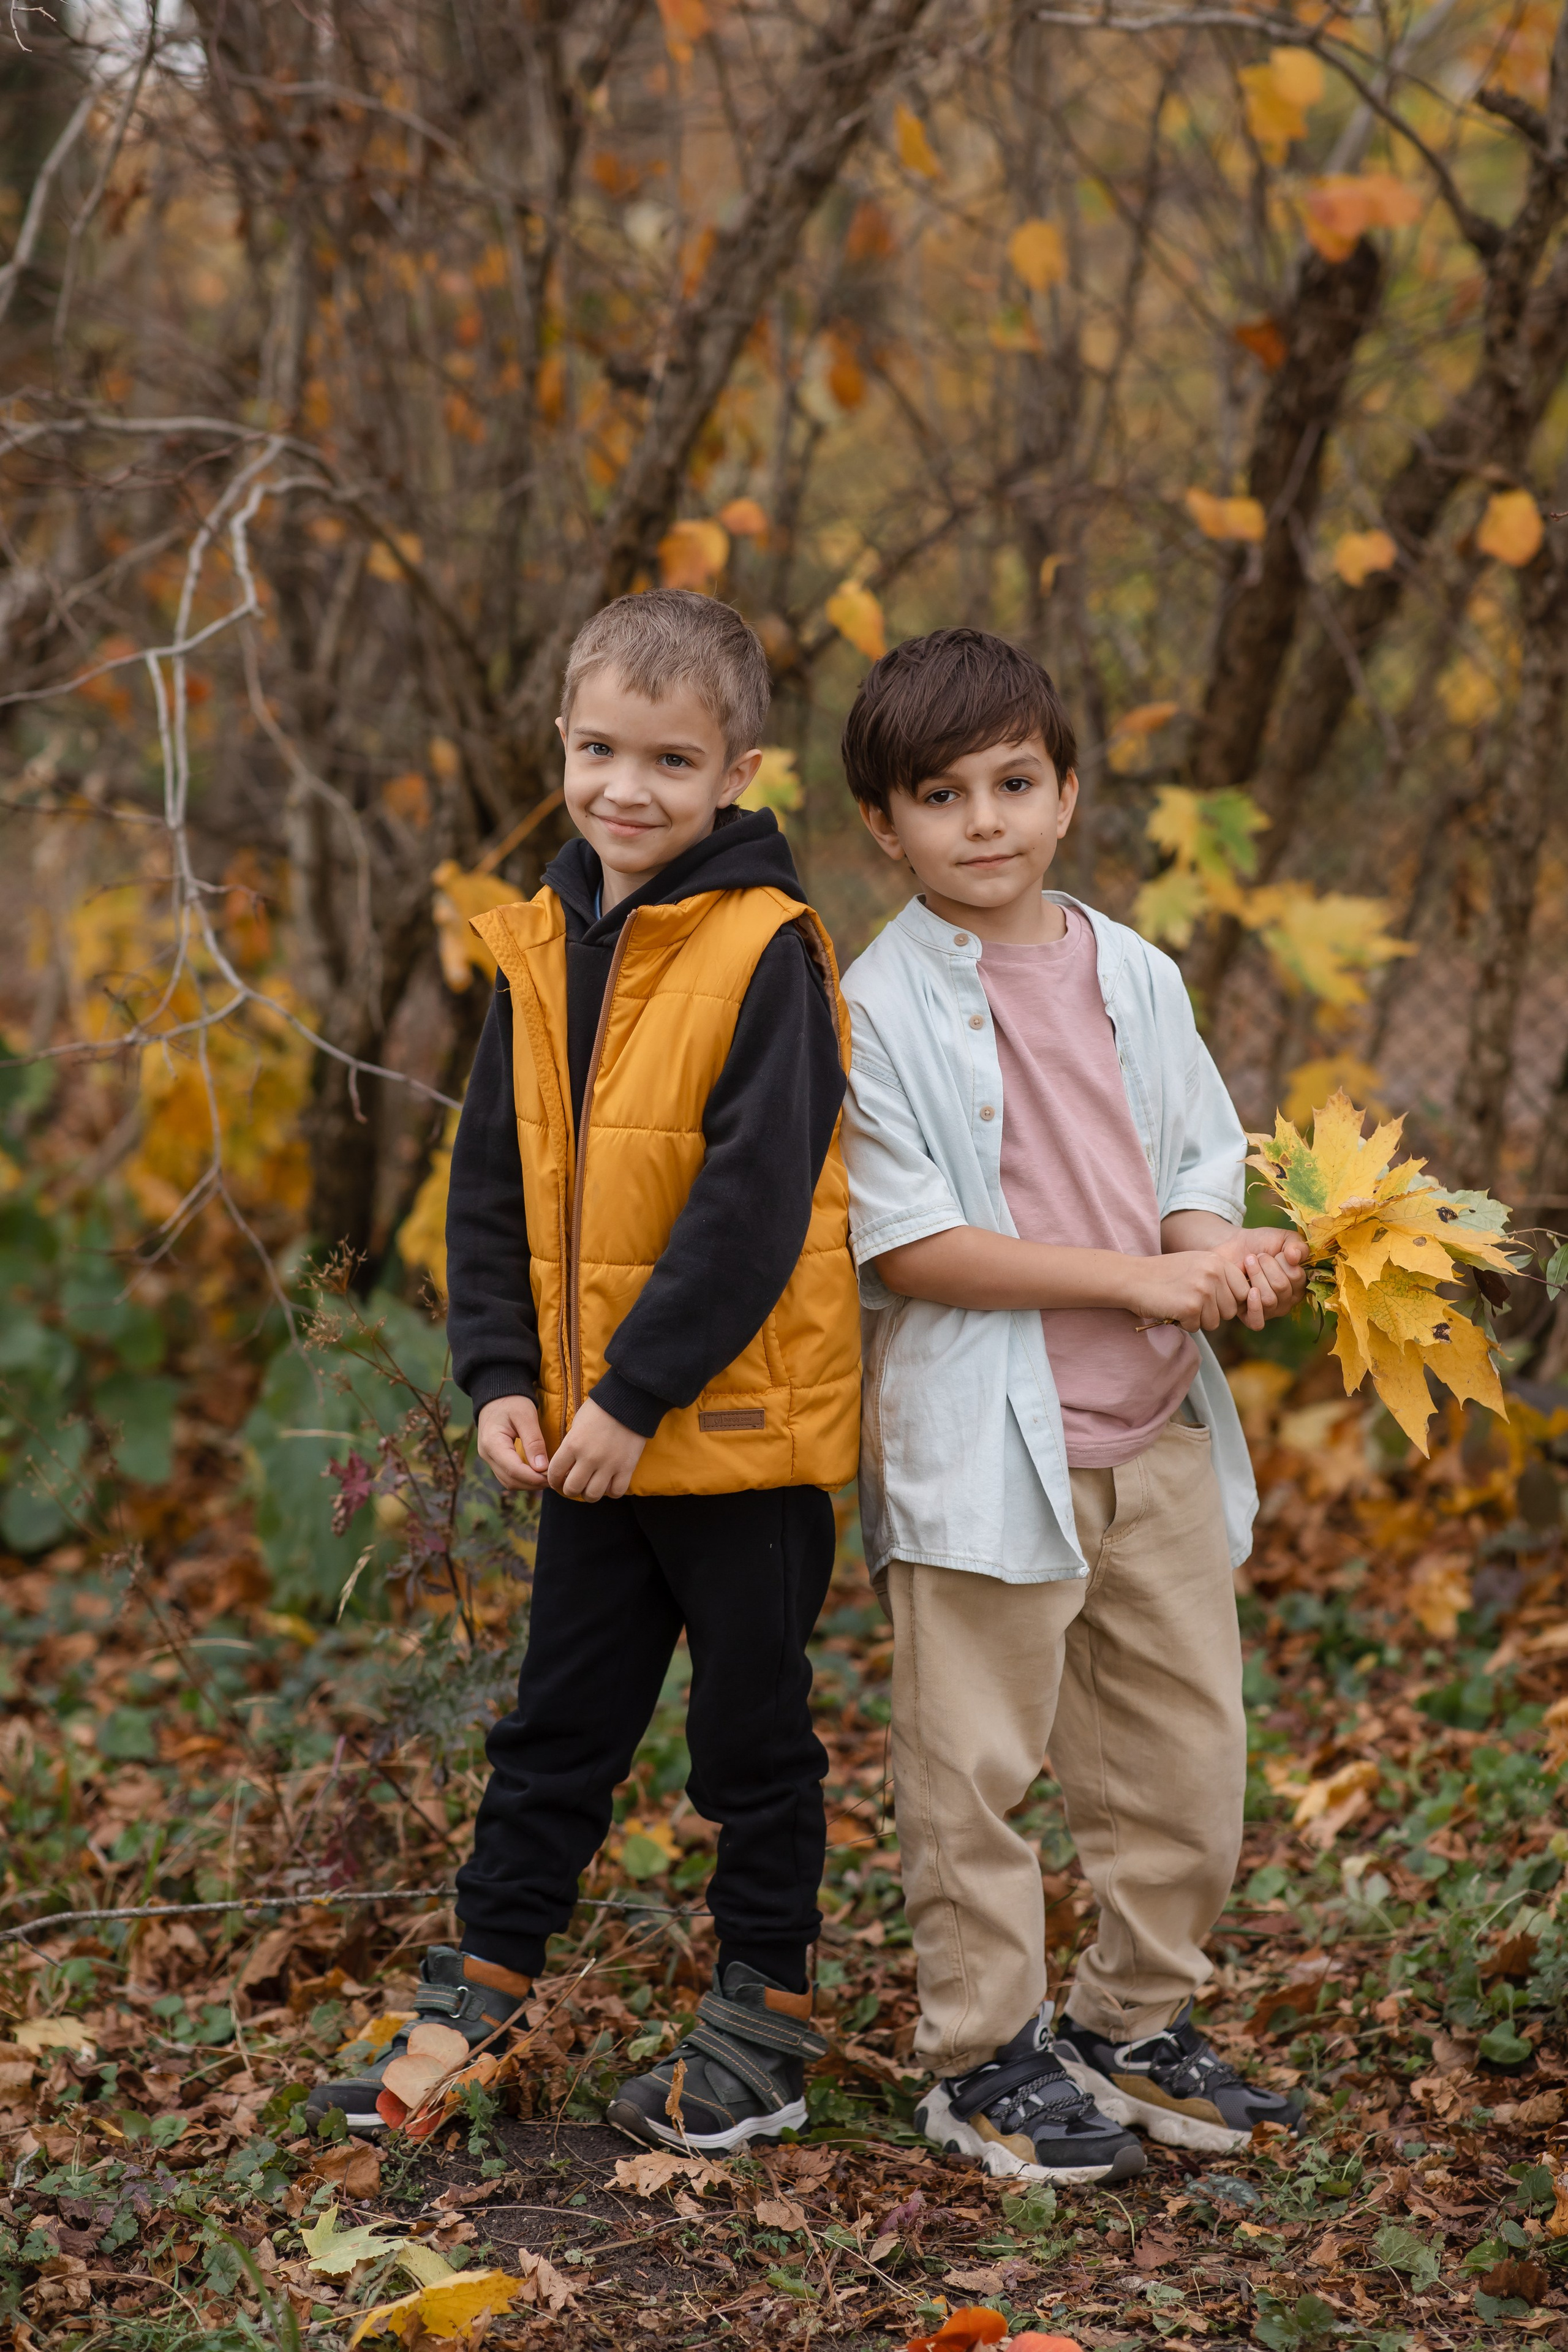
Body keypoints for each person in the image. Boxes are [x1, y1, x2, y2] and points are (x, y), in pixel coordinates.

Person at [307, 590, 860, 2150]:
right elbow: (488, 1186)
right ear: (562, 742)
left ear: (736, 776)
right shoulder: (541, 942)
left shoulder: (768, 952)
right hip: (584, 1445)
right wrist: (503, 1373)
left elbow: (751, 1216)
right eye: (602, 749)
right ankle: (473, 1999)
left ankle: (765, 2019)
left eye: (671, 762)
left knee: (748, 1745)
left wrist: (632, 1397)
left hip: (731, 1441)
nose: (628, 788)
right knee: (555, 1725)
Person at [837, 627, 1308, 2185]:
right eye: (940, 794)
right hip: (987, 1449)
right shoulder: (876, 1004)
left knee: (1185, 1762)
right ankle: (982, 2059)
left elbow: (1192, 1158)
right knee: (970, 1771)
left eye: (1013, 783)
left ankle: (1130, 2024)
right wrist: (1133, 1282)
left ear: (1069, 792)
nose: (983, 821)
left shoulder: (1137, 970)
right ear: (882, 827)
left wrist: (1212, 1255)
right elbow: (905, 1244)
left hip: (1153, 1433)